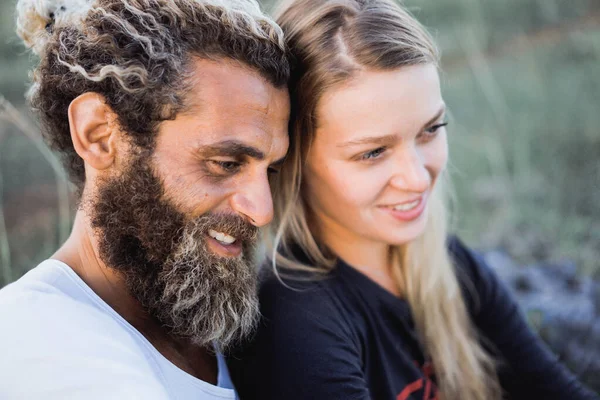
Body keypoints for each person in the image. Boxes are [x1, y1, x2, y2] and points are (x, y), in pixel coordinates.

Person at [226, 0, 600, 399]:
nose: (419, 178)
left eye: (431, 129)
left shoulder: (449, 265)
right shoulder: (297, 322)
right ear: (295, 158)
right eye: (373, 152)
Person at [0, 0, 289, 398]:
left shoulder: (211, 320)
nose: (262, 210)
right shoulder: (39, 339)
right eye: (225, 163)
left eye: (271, 170)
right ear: (99, 134)